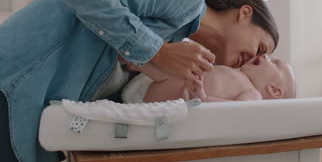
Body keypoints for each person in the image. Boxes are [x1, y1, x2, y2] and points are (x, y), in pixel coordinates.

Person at [0, 0, 279, 162]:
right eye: (261, 47)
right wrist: (157, 51)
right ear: (245, 13)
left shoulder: (174, 36)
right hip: (15, 80)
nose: (253, 60)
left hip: (31, 107)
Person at [121, 54, 296, 103]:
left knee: (175, 77)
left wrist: (203, 98)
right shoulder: (238, 74)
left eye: (275, 62)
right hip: (149, 81)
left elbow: (235, 110)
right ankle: (139, 61)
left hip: (171, 94)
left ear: (274, 90)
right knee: (176, 71)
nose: (266, 55)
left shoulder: (253, 94)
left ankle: (139, 61)